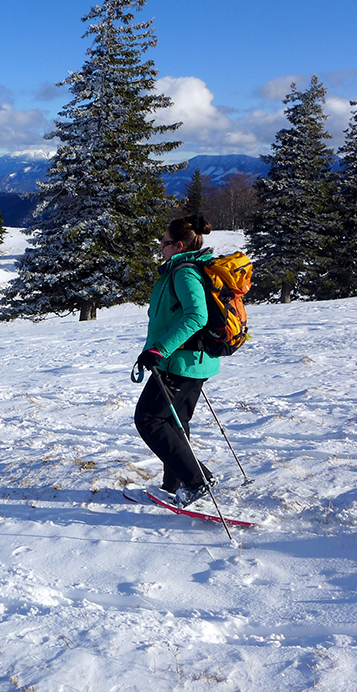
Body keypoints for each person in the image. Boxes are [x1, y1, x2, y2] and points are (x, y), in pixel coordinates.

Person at [133, 214, 219, 508]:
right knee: (174, 421)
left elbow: (197, 316)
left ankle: (198, 481)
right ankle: (174, 485)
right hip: (190, 361)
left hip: (181, 362)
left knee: (148, 419)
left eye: (166, 242)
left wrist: (159, 349)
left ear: (179, 244)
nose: (161, 245)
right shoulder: (183, 270)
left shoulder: (184, 273)